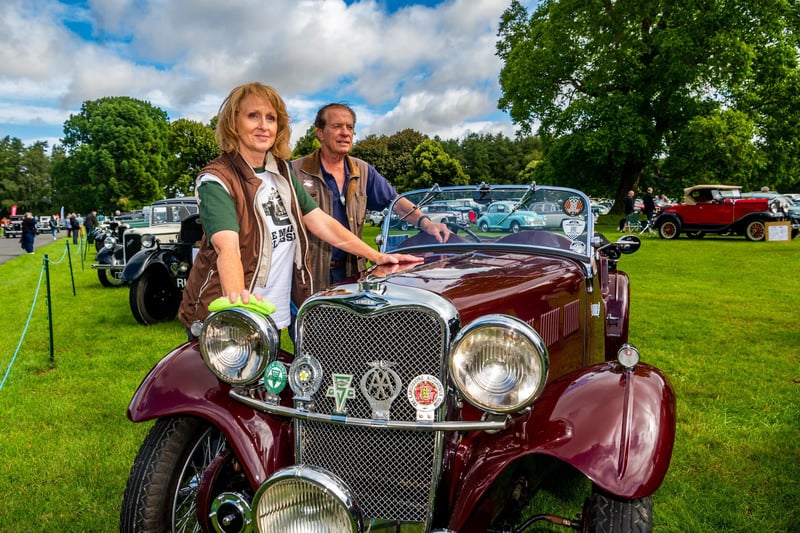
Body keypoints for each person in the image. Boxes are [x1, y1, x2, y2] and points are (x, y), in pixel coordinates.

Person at [177, 83, 421, 336]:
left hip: (269, 311)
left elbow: (320, 221)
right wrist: (241, 311)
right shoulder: (217, 179)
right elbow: (226, 247)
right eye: (253, 116)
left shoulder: (282, 171)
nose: (264, 125)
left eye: (271, 118)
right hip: (229, 316)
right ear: (233, 122)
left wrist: (376, 256)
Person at [291, 103, 451, 287]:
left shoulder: (363, 171)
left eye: (350, 127)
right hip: (309, 274)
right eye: (337, 126)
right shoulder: (295, 171)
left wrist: (426, 223)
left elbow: (395, 202)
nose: (345, 133)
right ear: (320, 133)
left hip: (353, 273)